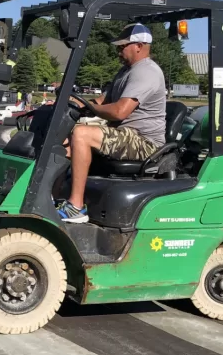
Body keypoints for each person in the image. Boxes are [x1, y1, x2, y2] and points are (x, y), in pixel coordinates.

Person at [56, 23, 167, 223]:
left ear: (139, 46)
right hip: (126, 135)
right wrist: (74, 103)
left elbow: (118, 111)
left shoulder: (146, 72)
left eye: (122, 46)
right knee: (65, 140)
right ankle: (52, 197)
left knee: (81, 134)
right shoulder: (125, 72)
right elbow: (102, 101)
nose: (118, 50)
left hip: (144, 141)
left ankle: (76, 207)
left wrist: (91, 109)